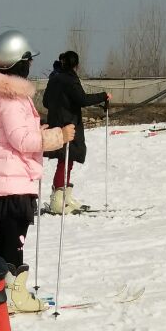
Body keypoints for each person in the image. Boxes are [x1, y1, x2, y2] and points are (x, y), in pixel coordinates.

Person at [0, 31, 74, 312]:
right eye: (28, 60)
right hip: (11, 182)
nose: (30, 66)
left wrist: (38, 131)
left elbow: (14, 134)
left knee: (2, 237)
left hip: (2, 178)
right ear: (19, 63)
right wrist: (58, 136)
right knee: (14, 239)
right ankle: (13, 295)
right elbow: (22, 141)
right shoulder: (12, 98)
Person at [42, 51, 109, 214]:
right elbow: (82, 100)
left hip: (55, 125)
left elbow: (45, 101)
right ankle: (57, 200)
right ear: (76, 65)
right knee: (65, 161)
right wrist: (103, 96)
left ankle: (64, 197)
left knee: (66, 160)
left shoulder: (54, 77)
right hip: (68, 125)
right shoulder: (70, 79)